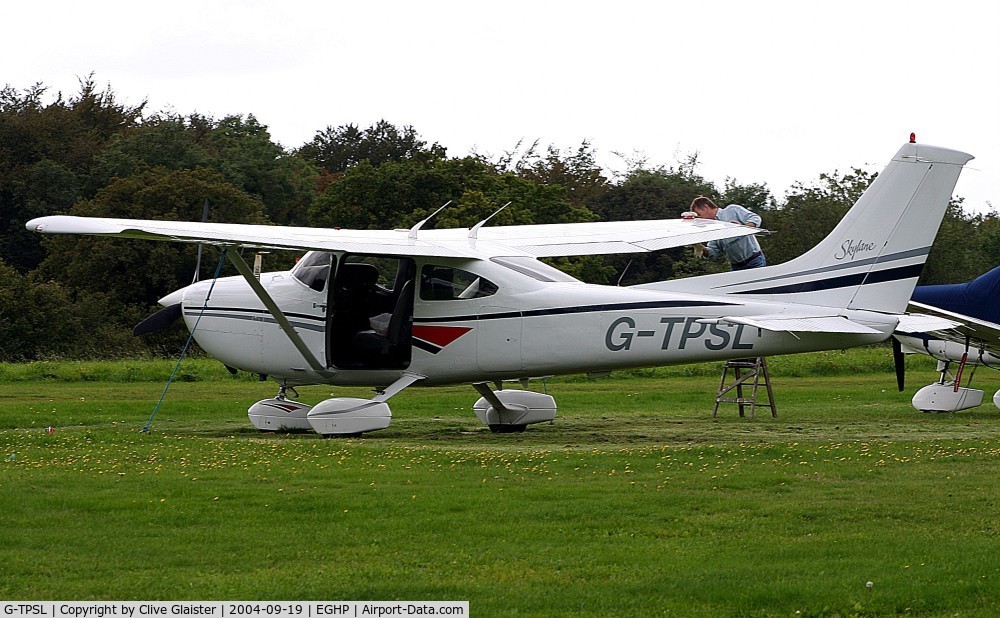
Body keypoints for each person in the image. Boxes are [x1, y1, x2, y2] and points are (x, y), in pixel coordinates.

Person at [690, 196, 766, 270]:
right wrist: (700, 248)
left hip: (754, 261)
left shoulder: (732, 210)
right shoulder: (713, 229)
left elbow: (755, 218)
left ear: (706, 207)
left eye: (699, 214)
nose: (699, 219)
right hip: (736, 267)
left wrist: (743, 228)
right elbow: (712, 253)